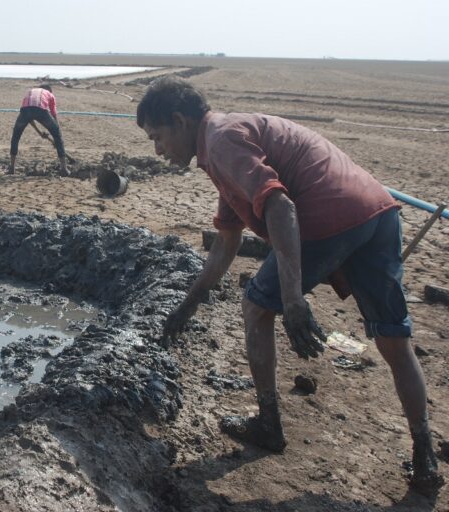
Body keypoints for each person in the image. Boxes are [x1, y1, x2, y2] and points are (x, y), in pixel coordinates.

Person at [136, 76, 444, 493]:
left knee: (256, 306)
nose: (157, 151)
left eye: (158, 138)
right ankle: (424, 453)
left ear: (180, 121)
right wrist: (186, 307)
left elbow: (280, 205)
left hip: (330, 215)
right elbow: (227, 244)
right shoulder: (224, 144)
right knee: (394, 337)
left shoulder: (222, 140)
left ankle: (268, 422)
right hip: (378, 212)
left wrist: (293, 296)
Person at [9, 84, 69, 176]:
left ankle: (12, 168)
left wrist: (40, 132)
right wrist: (57, 131)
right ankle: (64, 168)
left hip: (25, 111)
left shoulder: (30, 91)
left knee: (15, 137)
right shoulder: (50, 94)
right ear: (49, 90)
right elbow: (53, 113)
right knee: (57, 136)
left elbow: (29, 118)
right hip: (40, 110)